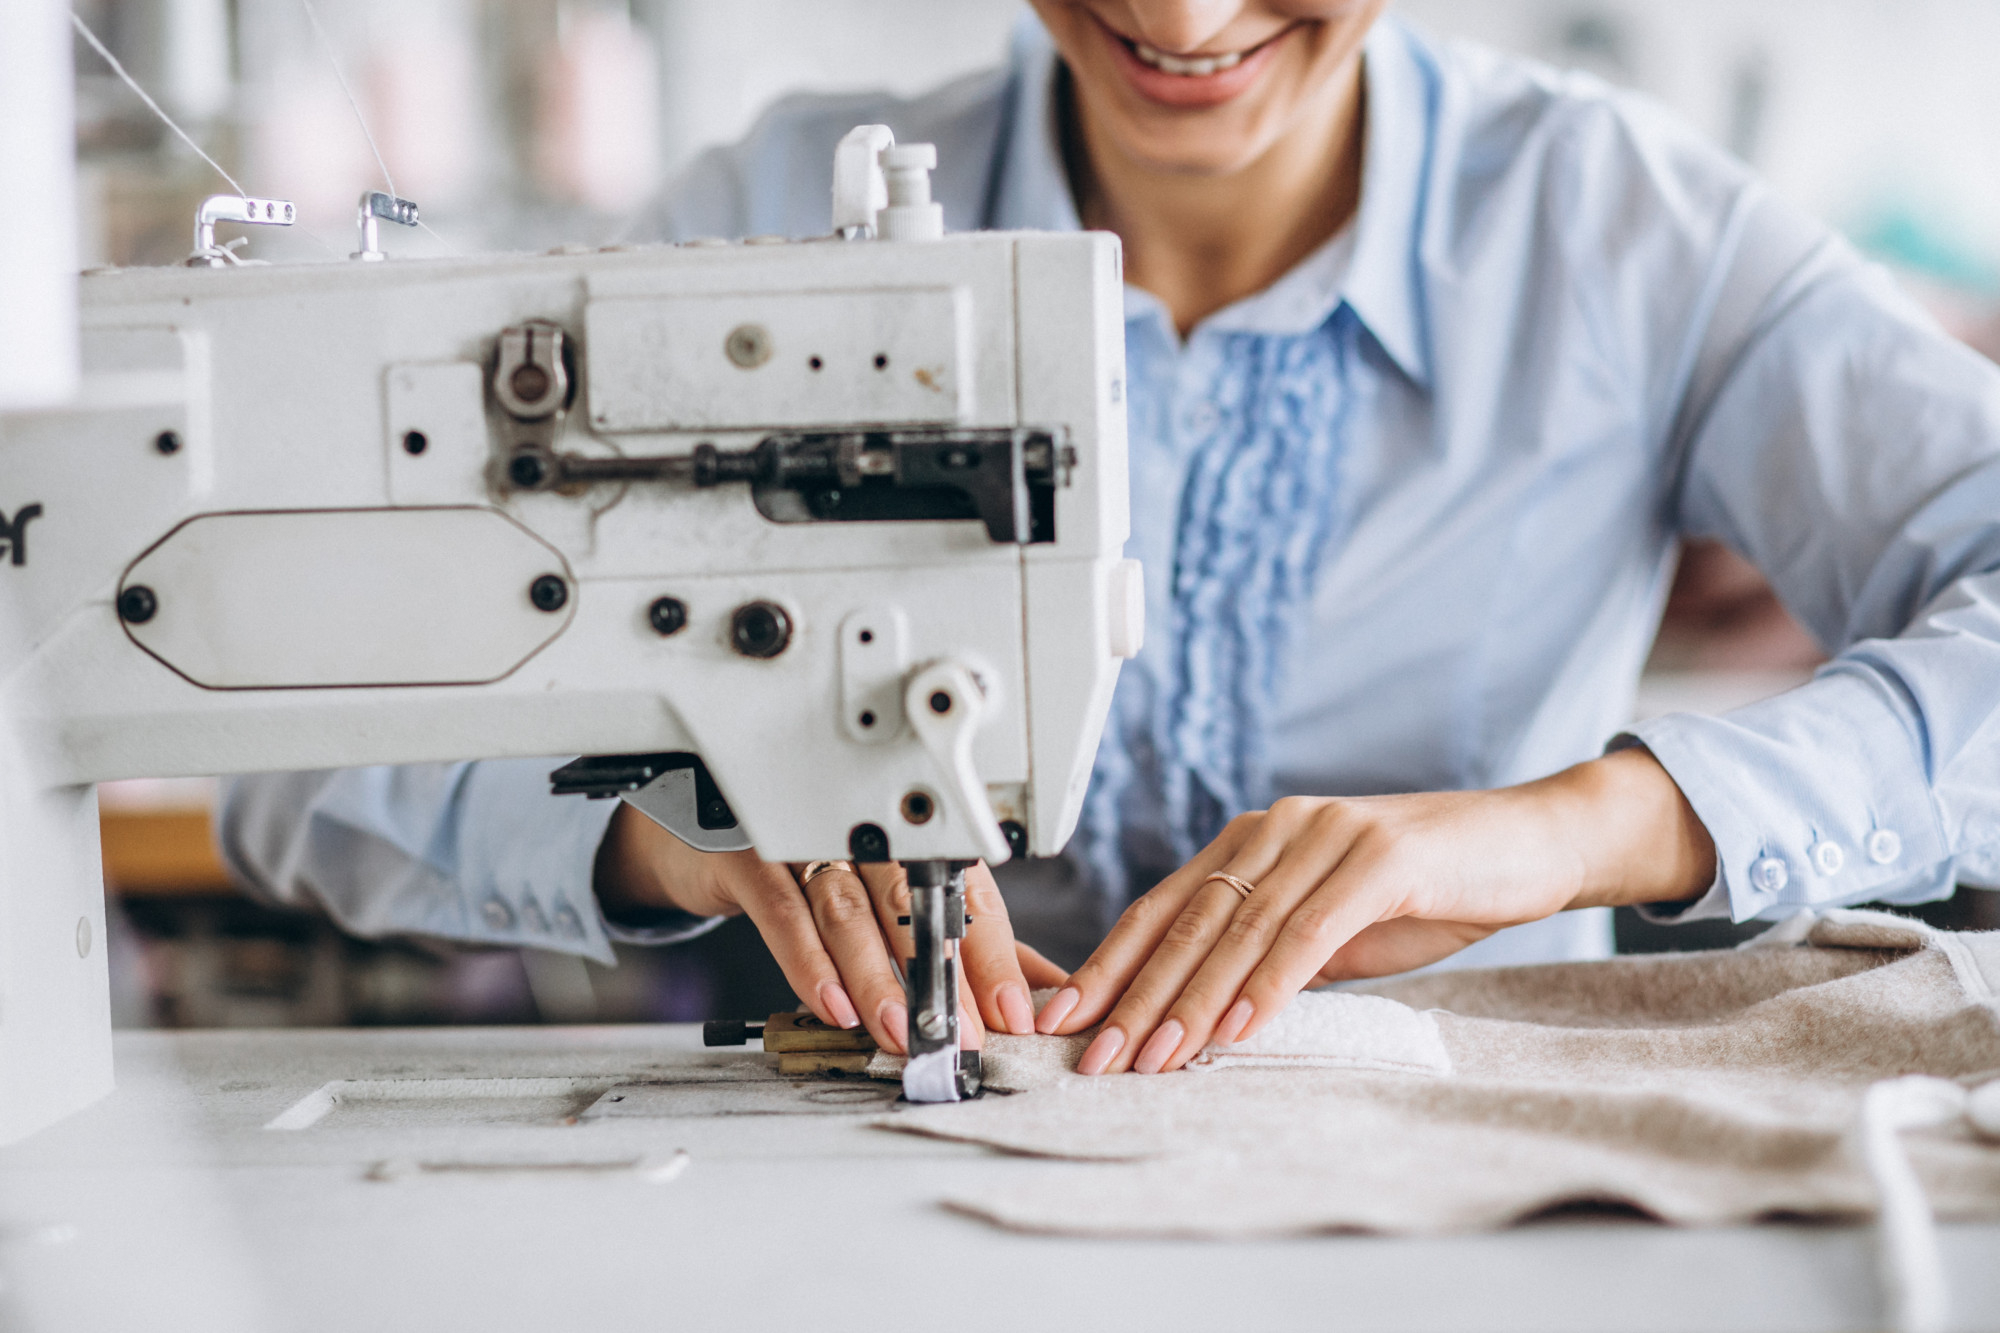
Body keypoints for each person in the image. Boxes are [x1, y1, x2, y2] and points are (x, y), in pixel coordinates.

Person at [222, 0, 2000, 1081]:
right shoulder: (766, 224)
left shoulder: (1626, 233)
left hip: (1460, 1191)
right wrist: (671, 841)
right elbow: (279, 718)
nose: (1186, 11)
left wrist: (1562, 829)